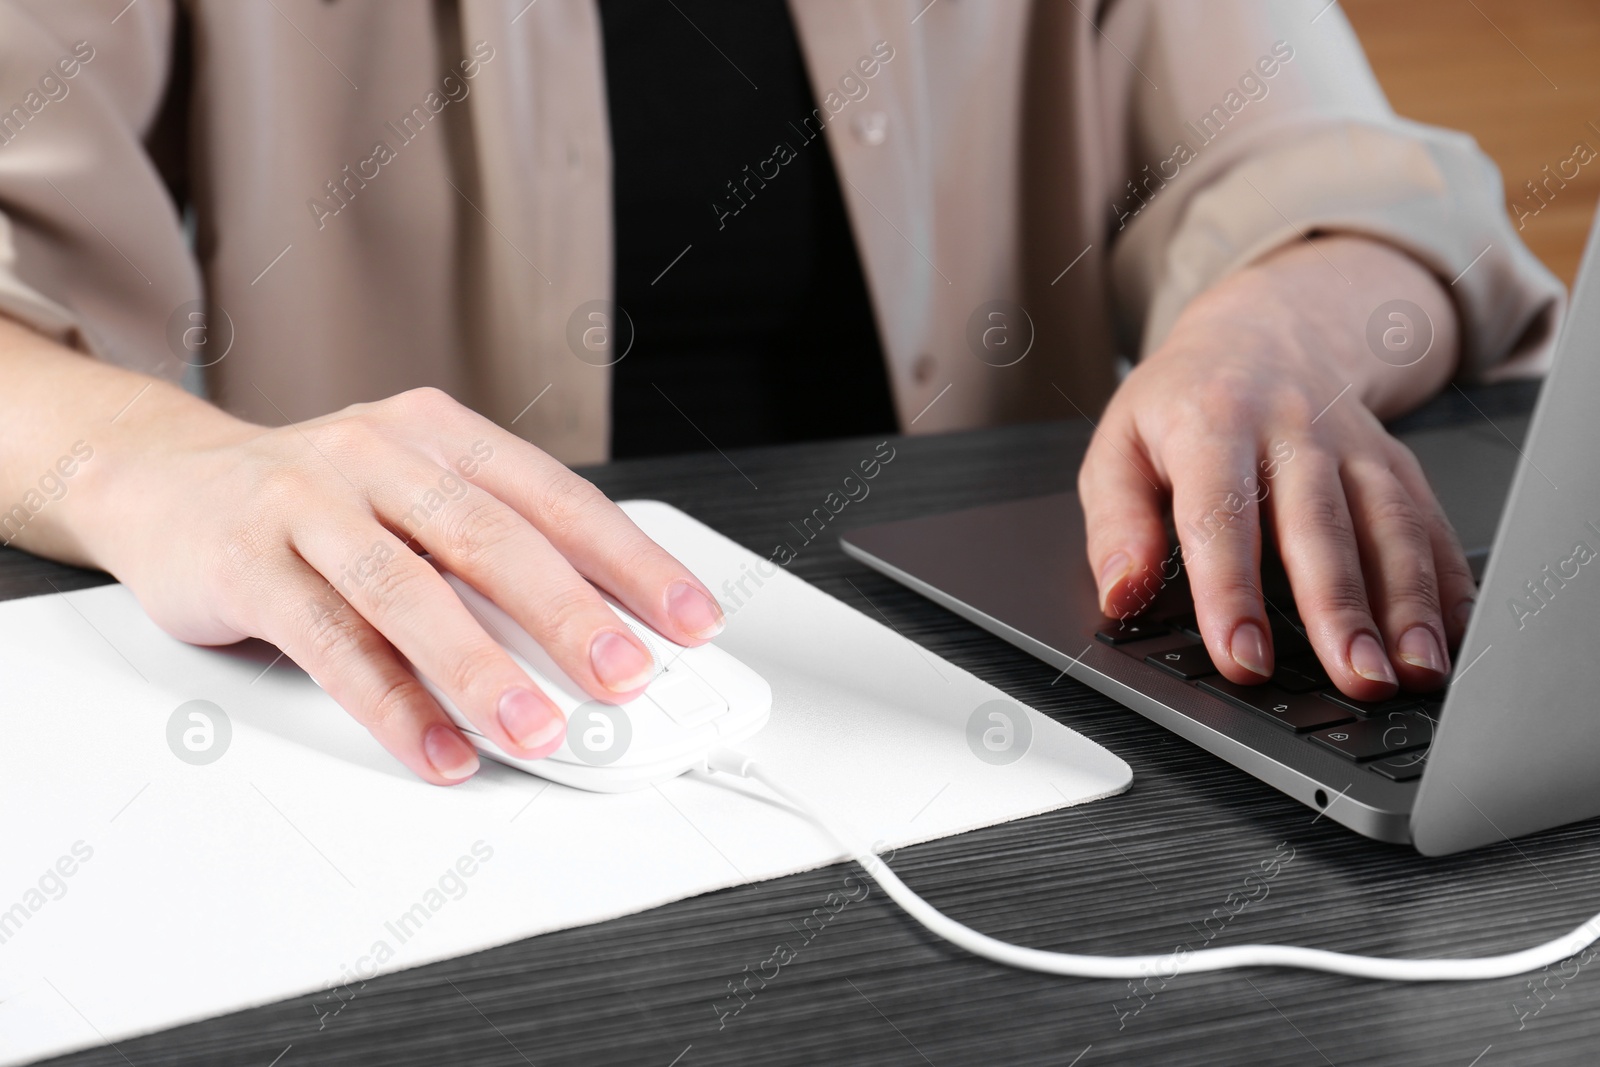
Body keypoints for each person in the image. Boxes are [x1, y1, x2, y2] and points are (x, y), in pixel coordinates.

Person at [0, 0, 1563, 784]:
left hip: (1023, 703)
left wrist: (1270, 328)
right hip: (454, 726)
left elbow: (1336, 174)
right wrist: (160, 466)